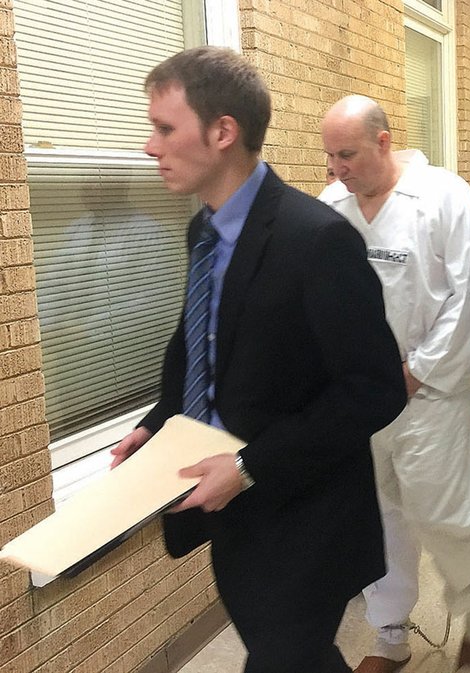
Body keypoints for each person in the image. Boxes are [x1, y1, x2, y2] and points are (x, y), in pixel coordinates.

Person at [110, 47, 407, 673]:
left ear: (223, 132)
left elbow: (375, 389)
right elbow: (203, 349)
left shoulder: (316, 239)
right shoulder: (204, 231)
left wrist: (247, 467)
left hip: (307, 515)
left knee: (282, 659)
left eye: (164, 128)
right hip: (234, 516)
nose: (148, 145)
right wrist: (156, 422)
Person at [320, 95, 470, 673]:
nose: (336, 168)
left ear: (383, 140)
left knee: (443, 513)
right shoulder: (333, 206)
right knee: (379, 515)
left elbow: (469, 291)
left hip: (429, 392)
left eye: (346, 154)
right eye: (330, 156)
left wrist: (417, 371)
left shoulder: (443, 197)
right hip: (358, 396)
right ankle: (389, 634)